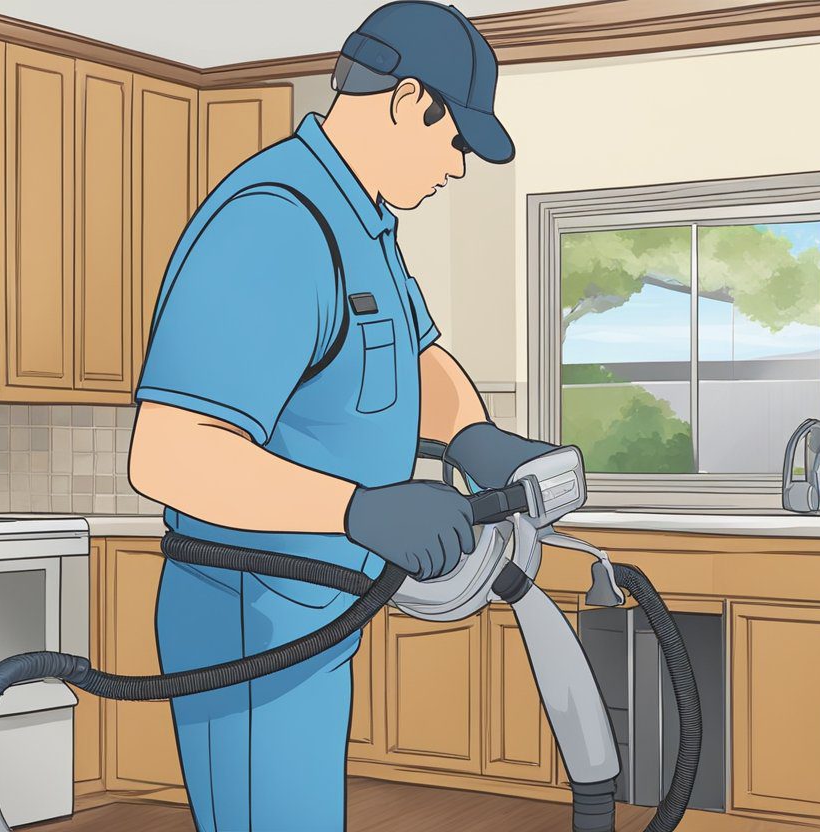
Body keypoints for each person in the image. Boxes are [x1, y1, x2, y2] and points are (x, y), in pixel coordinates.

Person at [127, 3, 555, 829]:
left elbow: (415, 360)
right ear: (406, 100)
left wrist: (478, 439)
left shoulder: (366, 224)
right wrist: (358, 509)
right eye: (456, 141)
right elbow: (171, 452)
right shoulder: (273, 222)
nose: (459, 169)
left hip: (318, 611)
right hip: (252, 624)